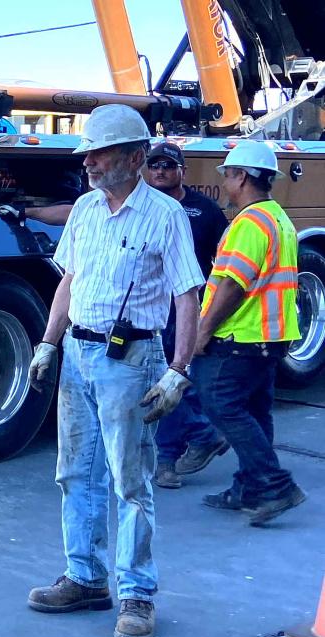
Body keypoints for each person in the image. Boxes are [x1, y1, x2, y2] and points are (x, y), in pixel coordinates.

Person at [25, 104, 205, 637]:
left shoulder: (165, 215)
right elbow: (69, 283)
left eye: (99, 154)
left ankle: (137, 593)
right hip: (78, 356)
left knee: (130, 481)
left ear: (134, 156)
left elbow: (186, 295)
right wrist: (47, 343)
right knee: (75, 472)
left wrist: (178, 370)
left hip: (131, 361)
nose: (89, 163)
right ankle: (84, 578)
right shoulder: (84, 210)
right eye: (88, 155)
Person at [192, 140, 306, 526]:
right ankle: (248, 488)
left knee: (221, 405)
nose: (224, 181)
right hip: (271, 336)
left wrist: (202, 332)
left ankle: (275, 485)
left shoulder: (249, 223)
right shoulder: (277, 218)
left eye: (227, 174)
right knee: (256, 410)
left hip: (242, 336)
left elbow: (232, 285)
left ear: (241, 176)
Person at [144, 142, 230, 489]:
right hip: (152, 306)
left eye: (168, 165)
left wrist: (211, 312)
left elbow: (223, 263)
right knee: (162, 380)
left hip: (187, 308)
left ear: (183, 170)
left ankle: (170, 458)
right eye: (154, 165)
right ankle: (193, 442)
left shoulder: (205, 211)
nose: (160, 171)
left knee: (172, 380)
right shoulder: (146, 208)